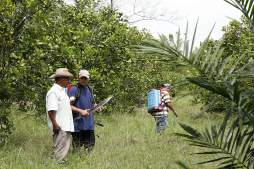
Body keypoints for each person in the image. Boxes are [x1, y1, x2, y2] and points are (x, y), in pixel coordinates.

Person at [46, 68, 87, 162]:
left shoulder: (62, 91)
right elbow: (51, 110)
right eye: (67, 78)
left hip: (65, 126)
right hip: (60, 127)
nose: (69, 81)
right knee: (59, 154)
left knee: (63, 152)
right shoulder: (53, 92)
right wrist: (55, 125)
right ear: (60, 79)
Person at [67, 69, 96, 154]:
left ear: (88, 79)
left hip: (89, 125)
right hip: (78, 125)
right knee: (77, 149)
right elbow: (67, 106)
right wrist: (81, 111)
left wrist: (96, 107)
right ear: (78, 78)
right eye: (82, 78)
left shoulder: (89, 89)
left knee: (90, 148)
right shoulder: (74, 89)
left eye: (85, 78)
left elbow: (92, 103)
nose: (83, 80)